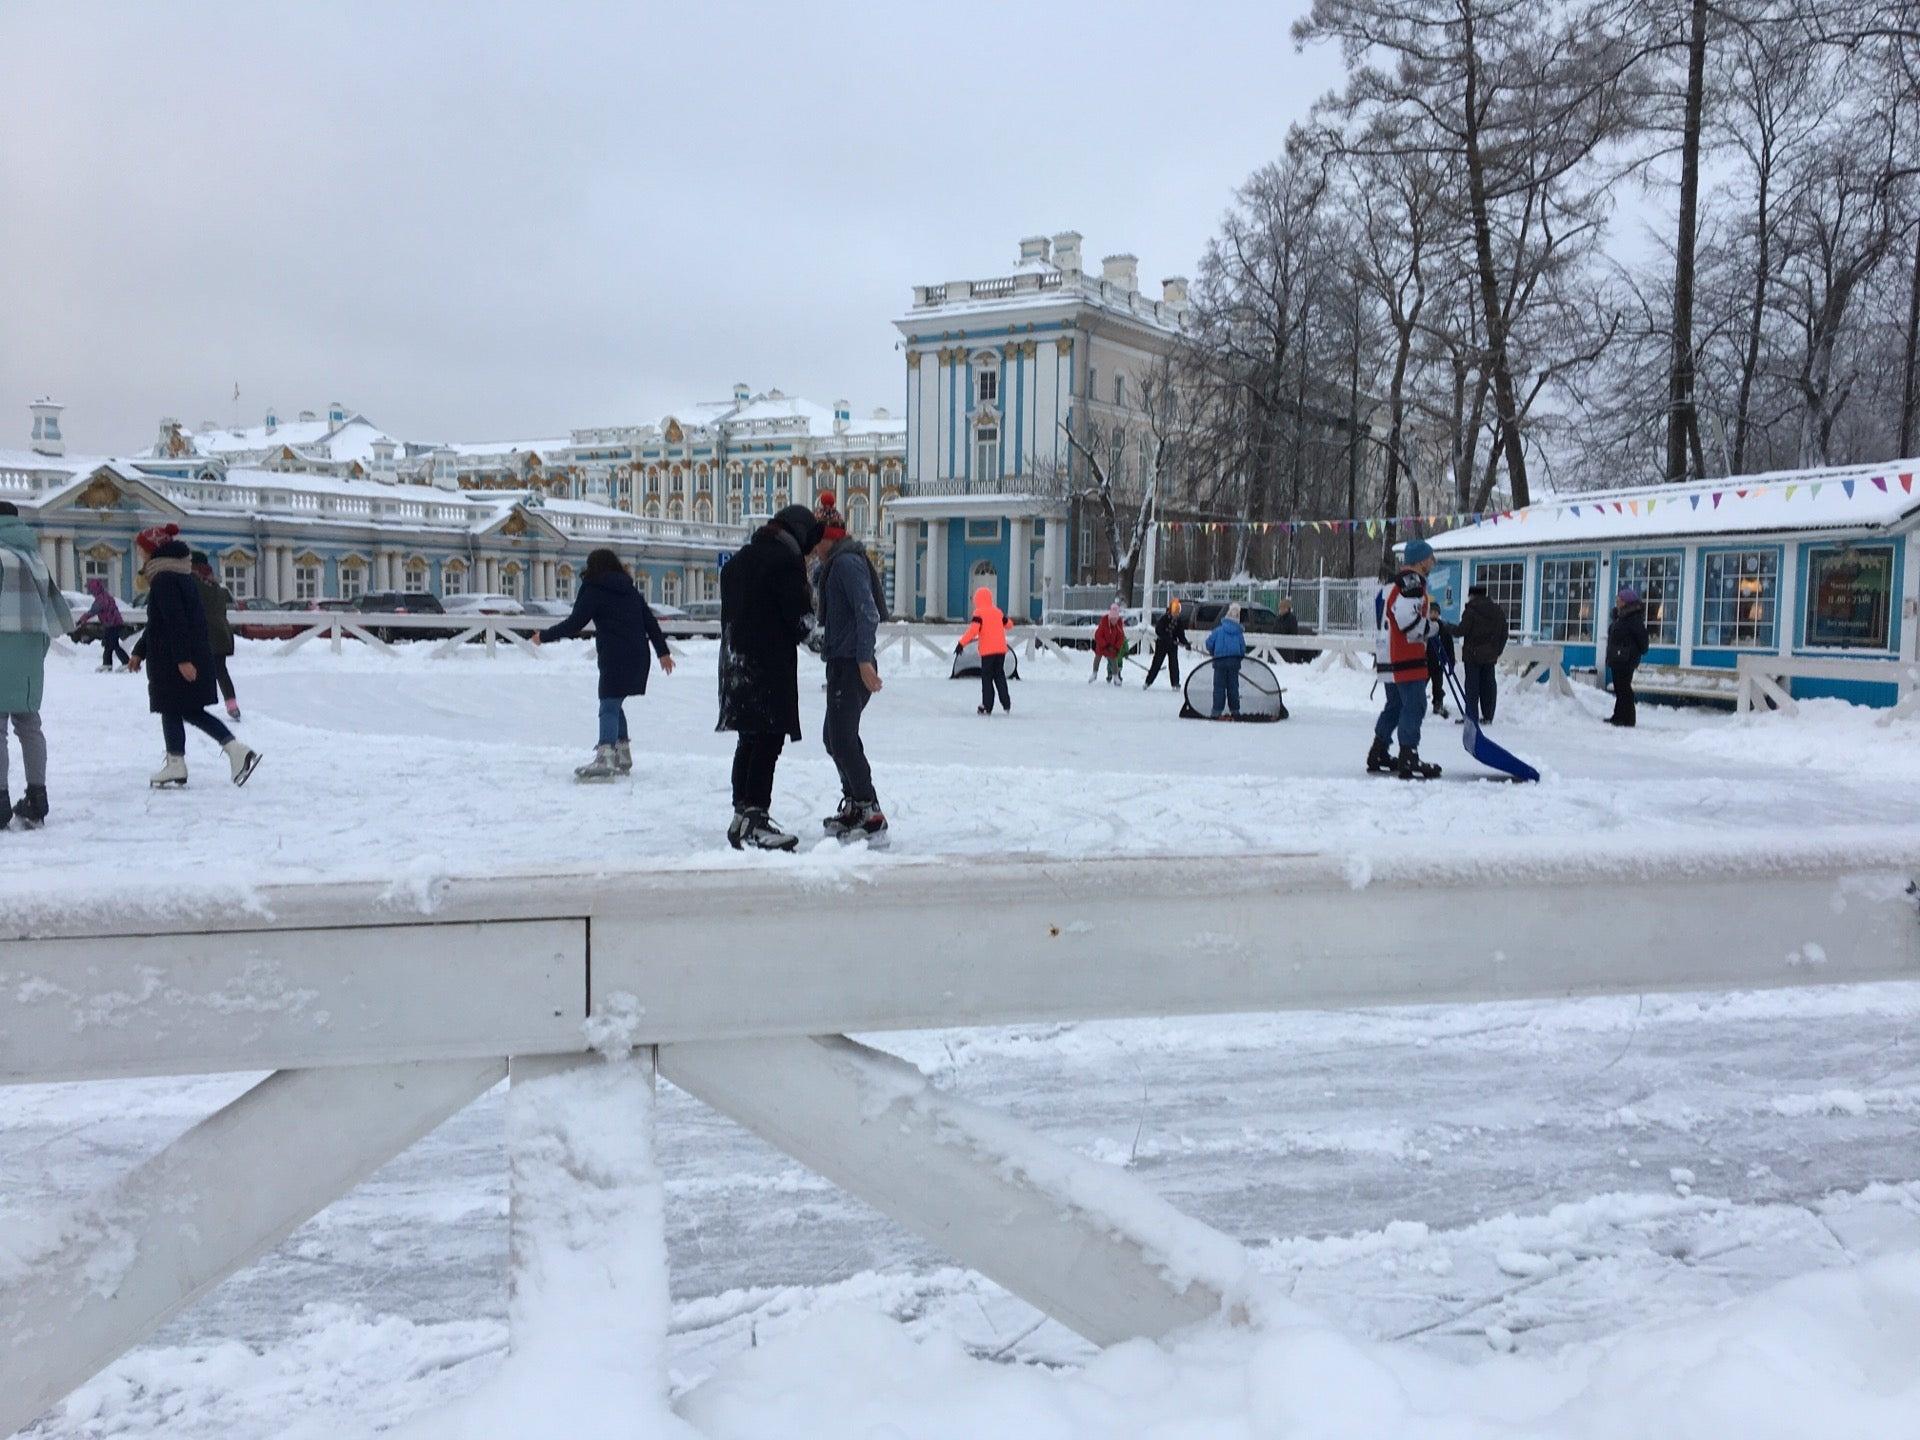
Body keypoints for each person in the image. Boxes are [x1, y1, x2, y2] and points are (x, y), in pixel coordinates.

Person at [717, 504, 821, 850]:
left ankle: (742, 815)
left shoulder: (739, 562)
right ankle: (756, 820)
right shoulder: (782, 561)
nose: (807, 553)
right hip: (766, 666)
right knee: (767, 741)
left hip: (735, 664)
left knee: (749, 739)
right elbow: (801, 620)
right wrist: (829, 645)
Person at [127, 524, 261, 789]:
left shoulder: (165, 578)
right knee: (177, 708)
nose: (140, 555)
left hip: (175, 658)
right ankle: (181, 762)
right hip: (177, 654)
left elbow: (176, 621)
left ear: (153, 550)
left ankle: (232, 750)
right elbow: (160, 622)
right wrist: (140, 651)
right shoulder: (177, 574)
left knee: (181, 708)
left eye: (142, 549)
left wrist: (182, 659)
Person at [532, 548, 674, 780]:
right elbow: (650, 621)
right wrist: (663, 652)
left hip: (615, 654)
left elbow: (575, 622)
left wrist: (544, 636)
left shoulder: (593, 587)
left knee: (608, 703)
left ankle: (605, 754)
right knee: (615, 702)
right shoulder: (629, 589)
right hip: (638, 654)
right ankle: (622, 753)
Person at [816, 517, 888, 842]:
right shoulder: (836, 564)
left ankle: (870, 810)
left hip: (850, 662)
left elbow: (867, 611)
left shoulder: (846, 563)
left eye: (815, 541)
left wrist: (863, 660)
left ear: (828, 539)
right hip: (841, 660)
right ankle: (855, 805)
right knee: (834, 738)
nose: (812, 548)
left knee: (841, 739)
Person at [0, 501, 71, 830]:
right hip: (30, 648)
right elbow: (55, 610)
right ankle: (37, 798)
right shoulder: (35, 557)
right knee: (29, 725)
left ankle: (0, 801)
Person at [1367, 539, 1442, 780]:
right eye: (1430, 557)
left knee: (1395, 706)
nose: (1433, 561)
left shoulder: (1391, 586)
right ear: (1421, 560)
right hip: (1406, 656)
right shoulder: (1412, 583)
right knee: (1415, 705)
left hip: (1388, 654)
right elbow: (1407, 621)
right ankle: (1408, 755)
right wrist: (1433, 628)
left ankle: (1378, 751)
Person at [190, 551, 242, 721]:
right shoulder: (217, 587)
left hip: (204, 635)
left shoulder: (193, 583)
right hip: (222, 633)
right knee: (221, 671)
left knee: (194, 669)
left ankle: (192, 705)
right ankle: (232, 706)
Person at [1454, 584, 1509, 724]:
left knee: (1472, 687)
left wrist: (1444, 626)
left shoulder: (1471, 611)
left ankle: (1472, 717)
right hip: (1490, 655)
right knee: (1488, 686)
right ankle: (1488, 716)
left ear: (1472, 595)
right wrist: (1497, 651)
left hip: (1472, 655)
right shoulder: (1498, 611)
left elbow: (1461, 630)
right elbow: (1504, 633)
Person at [958, 585, 1013, 715]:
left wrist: (961, 643)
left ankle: (987, 706)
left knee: (987, 678)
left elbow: (973, 630)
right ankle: (1006, 703)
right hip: (1001, 651)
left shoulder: (979, 613)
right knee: (1000, 675)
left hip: (988, 652)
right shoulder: (998, 612)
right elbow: (1009, 625)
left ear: (978, 600)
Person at [1605, 585, 1650, 727]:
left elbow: (1643, 641)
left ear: (1626, 602)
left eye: (1619, 599)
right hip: (1617, 657)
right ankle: (1618, 715)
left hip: (1626, 659)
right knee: (1619, 688)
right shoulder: (1620, 617)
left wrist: (1632, 651)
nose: (1617, 601)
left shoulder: (1633, 619)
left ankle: (1628, 718)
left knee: (1624, 688)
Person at [1205, 602, 1247, 719]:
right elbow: (1242, 648)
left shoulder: (1218, 631)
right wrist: (1239, 658)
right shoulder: (1239, 633)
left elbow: (1209, 643)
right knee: (1233, 687)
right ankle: (1235, 711)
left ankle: (1216, 711)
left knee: (1219, 687)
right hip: (1234, 663)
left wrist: (1213, 653)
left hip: (1219, 662)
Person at [78, 577, 130, 671]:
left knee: (113, 644)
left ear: (94, 589)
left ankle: (126, 662)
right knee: (108, 644)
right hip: (113, 623)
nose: (90, 592)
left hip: (112, 624)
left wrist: (82, 619)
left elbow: (92, 611)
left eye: (90, 589)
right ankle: (107, 664)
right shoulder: (105, 596)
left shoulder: (101, 599)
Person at [1144, 598, 1189, 689]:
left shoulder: (1179, 621)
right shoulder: (1164, 619)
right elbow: (1158, 630)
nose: (1176, 614)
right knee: (1157, 663)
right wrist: (1167, 638)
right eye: (1174, 611)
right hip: (1162, 644)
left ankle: (1175, 683)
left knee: (1174, 664)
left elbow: (1180, 634)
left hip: (1172, 646)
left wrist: (1186, 643)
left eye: (1177, 612)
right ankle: (1148, 682)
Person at [1092, 601, 1127, 685]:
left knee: (1114, 660)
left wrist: (1116, 647)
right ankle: (1094, 673)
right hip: (1102, 645)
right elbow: (1098, 635)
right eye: (1112, 619)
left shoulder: (1119, 624)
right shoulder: (1104, 622)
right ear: (1110, 617)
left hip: (1112, 646)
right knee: (1097, 658)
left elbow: (1121, 637)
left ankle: (1115, 677)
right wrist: (1105, 645)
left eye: (1116, 619)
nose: (1114, 621)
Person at [1427, 621, 1457, 719]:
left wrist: (1451, 663)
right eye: (1431, 612)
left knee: (1438, 685)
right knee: (1419, 685)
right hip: (1425, 663)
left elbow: (1450, 647)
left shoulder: (1443, 629)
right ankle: (1415, 705)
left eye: (1436, 612)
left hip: (1438, 663)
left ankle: (1438, 704)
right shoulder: (1425, 626)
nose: (1433, 614)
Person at [1274, 598, 1308, 664]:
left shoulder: (1291, 619)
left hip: (1287, 650)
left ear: (1287, 608)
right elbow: (1274, 631)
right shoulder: (1277, 619)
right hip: (1277, 648)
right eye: (1279, 608)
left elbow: (1293, 633)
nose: (1280, 610)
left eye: (1282, 608)